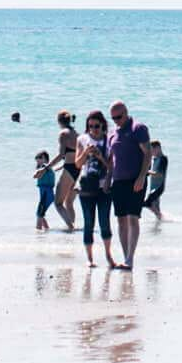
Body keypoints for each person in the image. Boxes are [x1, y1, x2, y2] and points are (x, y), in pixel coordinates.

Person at [105, 101, 152, 271]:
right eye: (113, 118)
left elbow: (148, 154)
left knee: (133, 217)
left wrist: (141, 177)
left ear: (126, 113)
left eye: (119, 117)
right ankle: (125, 257)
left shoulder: (138, 128)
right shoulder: (112, 134)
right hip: (118, 181)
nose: (116, 120)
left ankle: (130, 258)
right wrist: (107, 179)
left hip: (135, 180)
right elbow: (111, 161)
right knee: (121, 219)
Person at [75, 110, 112, 266]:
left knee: (104, 222)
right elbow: (77, 164)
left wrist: (100, 157)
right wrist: (86, 152)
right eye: (90, 126)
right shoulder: (82, 139)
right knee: (88, 222)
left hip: (104, 186)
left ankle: (108, 255)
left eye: (96, 126)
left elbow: (112, 166)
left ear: (102, 124)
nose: (93, 129)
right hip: (86, 186)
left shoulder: (109, 140)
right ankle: (89, 259)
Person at [53, 111, 81, 231]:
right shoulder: (77, 134)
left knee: (58, 203)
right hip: (78, 170)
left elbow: (61, 155)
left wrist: (46, 168)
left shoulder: (63, 134)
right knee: (69, 202)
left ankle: (71, 227)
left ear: (59, 121)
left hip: (69, 168)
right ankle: (71, 232)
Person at [144, 140, 169, 223]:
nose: (151, 152)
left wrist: (146, 172)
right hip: (153, 188)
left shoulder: (163, 159)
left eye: (152, 150)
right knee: (155, 206)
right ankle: (160, 224)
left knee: (147, 203)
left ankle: (163, 218)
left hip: (159, 188)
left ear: (158, 148)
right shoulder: (154, 159)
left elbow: (159, 174)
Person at [32, 151, 57, 230]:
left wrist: (37, 173)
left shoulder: (45, 167)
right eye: (37, 159)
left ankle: (38, 231)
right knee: (40, 213)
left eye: (40, 158)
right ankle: (46, 229)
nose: (38, 160)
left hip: (47, 193)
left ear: (45, 159)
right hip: (45, 193)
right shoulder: (45, 168)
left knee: (39, 213)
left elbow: (36, 176)